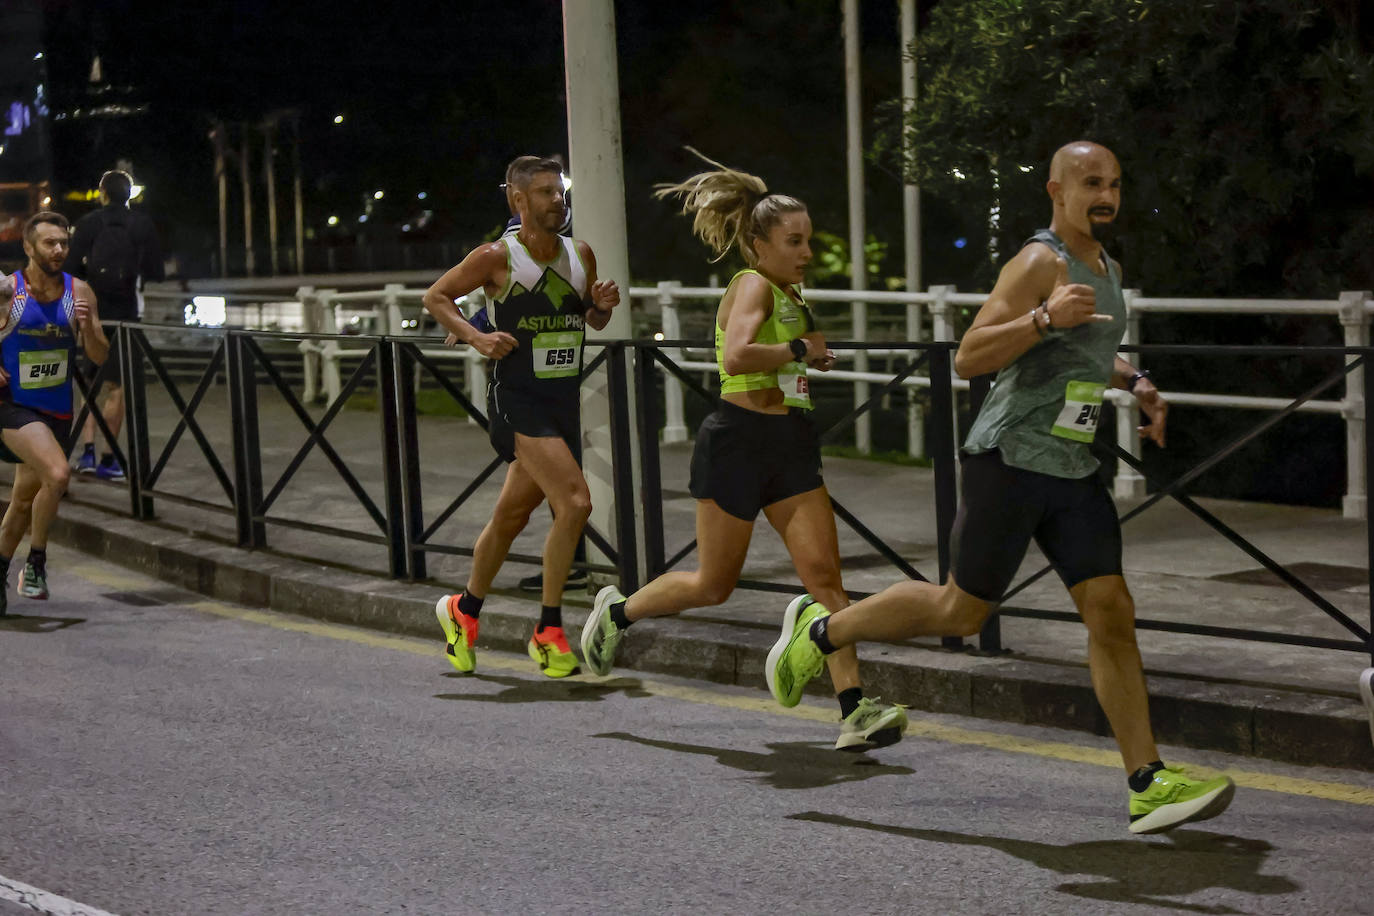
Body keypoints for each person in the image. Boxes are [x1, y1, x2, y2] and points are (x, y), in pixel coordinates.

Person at [765, 141, 1236, 830]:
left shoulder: (1108, 268)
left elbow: (1089, 347)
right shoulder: (1039, 260)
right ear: (1057, 191)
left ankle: (1147, 780)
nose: (1105, 195)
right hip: (1010, 460)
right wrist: (1043, 316)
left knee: (1111, 612)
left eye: (1114, 183)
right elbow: (969, 355)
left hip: (1073, 467)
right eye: (1090, 183)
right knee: (962, 612)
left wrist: (1135, 381)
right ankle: (824, 628)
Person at [579, 152, 909, 752]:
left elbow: (793, 356)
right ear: (759, 243)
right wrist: (801, 354)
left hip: (789, 447)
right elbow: (735, 358)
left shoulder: (792, 293)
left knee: (826, 580)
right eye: (794, 241)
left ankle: (854, 709)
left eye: (809, 239)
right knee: (712, 584)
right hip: (738, 443)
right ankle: (618, 614)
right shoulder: (753, 284)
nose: (806, 251)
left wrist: (809, 356)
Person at [424, 155, 619, 678]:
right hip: (518, 400)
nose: (558, 200)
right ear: (518, 199)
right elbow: (437, 296)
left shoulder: (581, 255)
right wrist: (477, 335)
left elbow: (587, 322)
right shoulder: (496, 257)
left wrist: (600, 307)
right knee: (576, 503)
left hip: (561, 401)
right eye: (545, 192)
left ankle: (463, 611)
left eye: (561, 190)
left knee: (510, 518)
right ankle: (548, 631)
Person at [0, 212, 109, 613]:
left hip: (58, 412)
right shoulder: (8, 290)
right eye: (50, 243)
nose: (59, 250)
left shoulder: (79, 291)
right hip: (12, 408)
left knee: (24, 502)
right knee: (59, 474)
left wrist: (91, 329)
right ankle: (37, 563)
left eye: (63, 242)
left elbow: (99, 356)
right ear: (28, 248)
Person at [66, 169, 164, 480]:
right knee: (118, 389)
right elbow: (157, 271)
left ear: (102, 193)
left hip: (92, 315)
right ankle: (110, 459)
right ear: (130, 194)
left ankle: (88, 453)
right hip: (127, 317)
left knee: (89, 384)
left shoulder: (88, 223)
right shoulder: (142, 224)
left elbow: (70, 268)